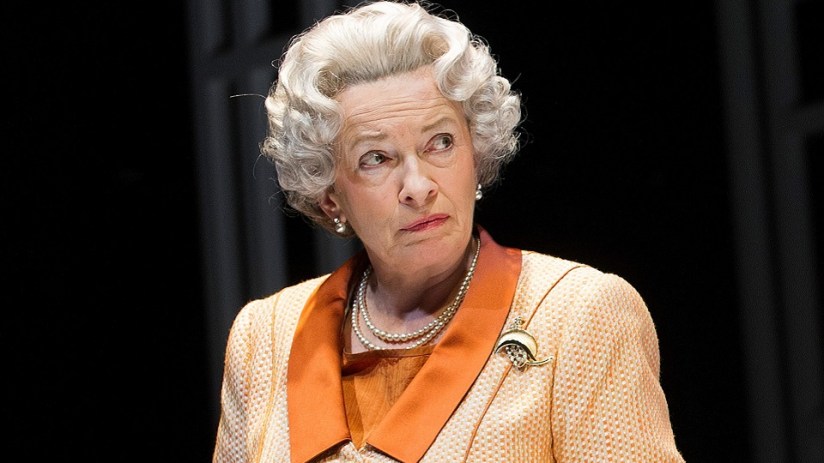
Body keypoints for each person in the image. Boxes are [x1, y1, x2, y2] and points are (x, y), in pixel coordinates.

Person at [212, 1, 685, 461]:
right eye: (376, 158)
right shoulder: (264, 338)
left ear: (475, 154)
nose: (418, 187)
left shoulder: (579, 315)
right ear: (329, 194)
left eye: (440, 143)